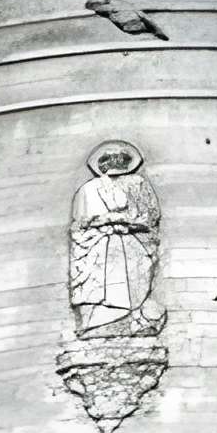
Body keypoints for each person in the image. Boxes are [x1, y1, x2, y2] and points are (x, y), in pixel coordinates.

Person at [67, 140, 161, 337]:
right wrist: (107, 222)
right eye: (110, 160)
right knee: (102, 284)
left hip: (127, 244)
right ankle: (97, 323)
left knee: (134, 272)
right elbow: (81, 224)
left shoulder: (138, 185)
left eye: (119, 160)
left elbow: (149, 217)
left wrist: (126, 222)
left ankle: (130, 316)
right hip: (98, 248)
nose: (114, 165)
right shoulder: (89, 189)